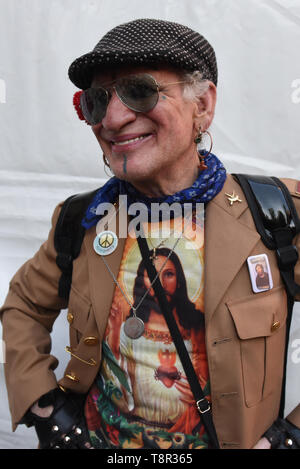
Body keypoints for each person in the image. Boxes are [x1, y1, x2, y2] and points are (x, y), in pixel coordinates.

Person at [1, 18, 300, 450]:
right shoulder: (83, 220)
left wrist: (290, 435)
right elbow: (24, 305)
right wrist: (45, 407)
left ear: (203, 105)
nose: (114, 119)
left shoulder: (275, 212)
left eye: (140, 91)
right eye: (97, 101)